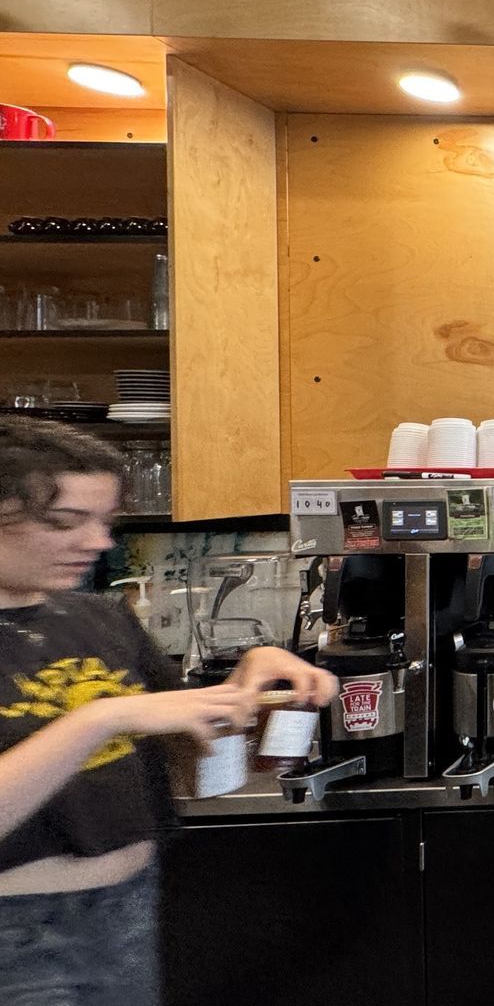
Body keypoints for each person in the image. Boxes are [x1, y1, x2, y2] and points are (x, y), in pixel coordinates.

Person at [0, 417, 336, 1005]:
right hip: (16, 932)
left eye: (105, 522)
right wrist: (102, 718)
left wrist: (245, 694)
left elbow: (192, 771)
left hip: (129, 908)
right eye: (64, 522)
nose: (98, 543)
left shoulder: (99, 618)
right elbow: (116, 720)